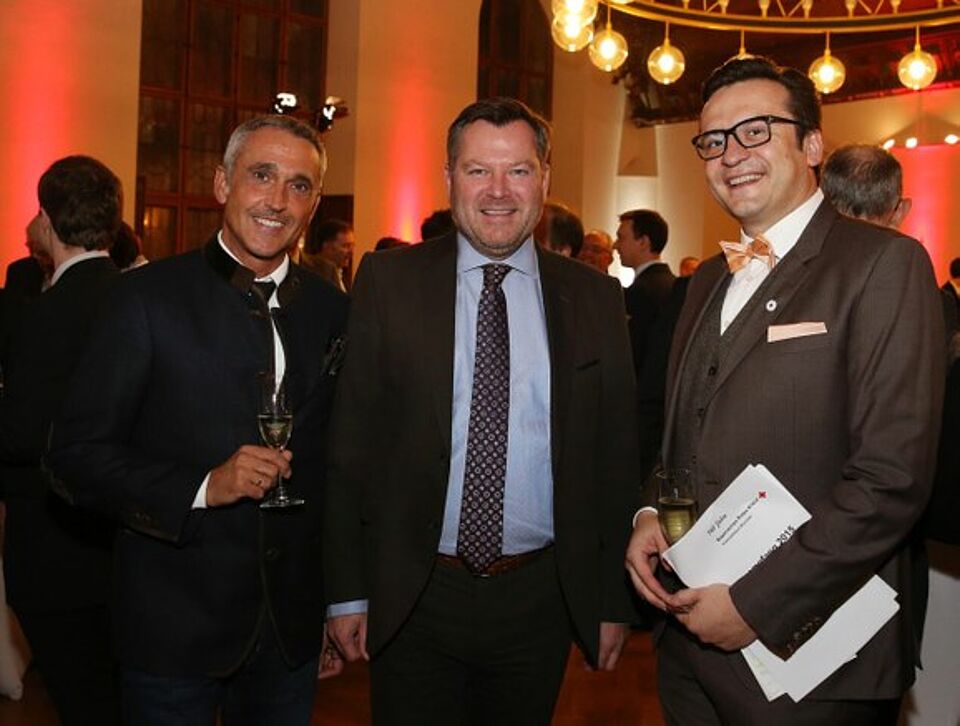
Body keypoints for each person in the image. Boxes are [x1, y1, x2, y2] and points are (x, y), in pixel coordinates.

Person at [626, 57, 943, 725]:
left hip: (811, 658)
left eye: (756, 131)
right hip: (687, 646)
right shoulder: (706, 279)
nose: (730, 154)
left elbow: (891, 478)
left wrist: (756, 604)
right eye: (714, 140)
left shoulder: (883, 264)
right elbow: (683, 430)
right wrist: (651, 511)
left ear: (813, 145)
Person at [323, 97, 640, 724]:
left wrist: (611, 600)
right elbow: (350, 447)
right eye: (478, 171)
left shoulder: (594, 298)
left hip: (540, 599)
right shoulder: (388, 282)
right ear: (449, 178)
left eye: (518, 170)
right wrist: (347, 593)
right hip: (413, 593)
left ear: (544, 179)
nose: (498, 191)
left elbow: (615, 455)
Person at [47, 115, 349, 726]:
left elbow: (340, 470)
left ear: (314, 204)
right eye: (261, 175)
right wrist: (206, 486)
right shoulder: (144, 299)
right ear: (221, 183)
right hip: (172, 631)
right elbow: (73, 458)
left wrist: (334, 605)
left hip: (288, 633)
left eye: (298, 185)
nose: (277, 200)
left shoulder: (334, 311)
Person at [0, 155, 122, 725]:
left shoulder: (43, 315)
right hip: (123, 547)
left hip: (54, 546)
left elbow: (22, 434)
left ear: (47, 221)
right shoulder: (137, 300)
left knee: (82, 702)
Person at [615, 209, 676, 379]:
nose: (615, 245)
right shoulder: (674, 284)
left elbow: (633, 355)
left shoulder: (640, 293)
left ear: (643, 242)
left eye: (621, 238)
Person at [301, 217, 354, 292]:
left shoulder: (345, 276)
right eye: (345, 246)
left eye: (352, 246)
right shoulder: (313, 274)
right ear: (327, 246)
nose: (351, 252)